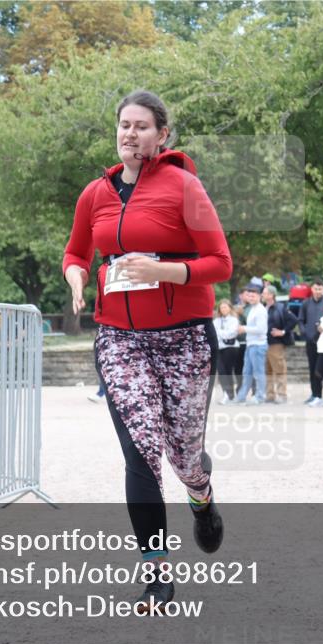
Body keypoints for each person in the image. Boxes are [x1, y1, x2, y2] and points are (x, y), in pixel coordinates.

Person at [62, 90, 231, 612]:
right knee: (140, 453)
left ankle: (200, 494)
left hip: (184, 338)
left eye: (140, 126)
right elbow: (75, 250)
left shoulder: (184, 186)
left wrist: (165, 271)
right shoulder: (96, 192)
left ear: (161, 135)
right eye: (123, 125)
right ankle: (157, 575)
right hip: (120, 338)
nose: (129, 133)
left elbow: (221, 263)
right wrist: (77, 278)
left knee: (182, 457)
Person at [234, 283, 268, 405]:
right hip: (250, 344)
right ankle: (242, 396)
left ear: (259, 296)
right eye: (249, 296)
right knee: (246, 371)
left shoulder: (260, 310)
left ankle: (260, 396)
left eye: (253, 296)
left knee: (258, 372)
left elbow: (261, 329)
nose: (251, 298)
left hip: (258, 345)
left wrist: (244, 328)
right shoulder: (252, 309)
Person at [263, 285, 297, 404]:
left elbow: (293, 320)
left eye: (265, 293)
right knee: (267, 370)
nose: (263, 295)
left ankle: (282, 395)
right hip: (263, 343)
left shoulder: (280, 307)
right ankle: (270, 395)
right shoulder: (263, 307)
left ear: (271, 295)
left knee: (279, 369)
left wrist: (282, 332)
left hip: (276, 343)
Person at [298, 279, 323, 405]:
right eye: (315, 289)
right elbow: (300, 320)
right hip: (311, 341)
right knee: (312, 369)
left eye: (320, 289)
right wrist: (304, 332)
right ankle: (315, 394)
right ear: (311, 289)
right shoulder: (306, 303)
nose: (317, 291)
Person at [213, 299, 241, 405]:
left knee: (228, 371)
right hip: (219, 348)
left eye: (225, 307)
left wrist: (219, 332)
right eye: (222, 307)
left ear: (229, 308)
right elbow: (214, 333)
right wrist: (222, 333)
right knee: (221, 371)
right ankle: (227, 393)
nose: (223, 309)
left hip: (231, 348)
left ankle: (230, 395)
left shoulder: (234, 320)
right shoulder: (216, 321)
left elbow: (231, 334)